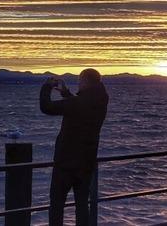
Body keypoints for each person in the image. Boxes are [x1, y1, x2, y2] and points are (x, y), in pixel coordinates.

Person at [40, 68, 109, 226]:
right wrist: (66, 93)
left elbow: (46, 107)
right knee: (82, 206)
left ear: (85, 81)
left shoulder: (77, 103)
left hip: (65, 164)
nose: (79, 84)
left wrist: (47, 87)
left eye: (79, 81)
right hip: (86, 163)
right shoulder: (101, 100)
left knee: (57, 205)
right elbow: (80, 106)